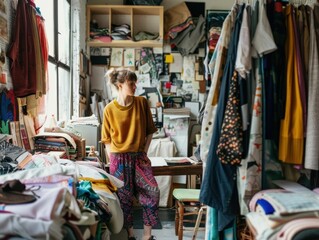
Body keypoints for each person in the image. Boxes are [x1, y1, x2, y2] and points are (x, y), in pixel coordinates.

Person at [101, 68, 159, 240]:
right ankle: (131, 234)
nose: (135, 87)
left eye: (135, 83)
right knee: (124, 199)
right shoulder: (109, 109)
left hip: (139, 156)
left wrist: (144, 151)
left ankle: (147, 236)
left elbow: (150, 131)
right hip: (118, 158)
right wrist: (113, 159)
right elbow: (107, 139)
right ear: (119, 85)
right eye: (131, 84)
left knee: (152, 191)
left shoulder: (142, 103)